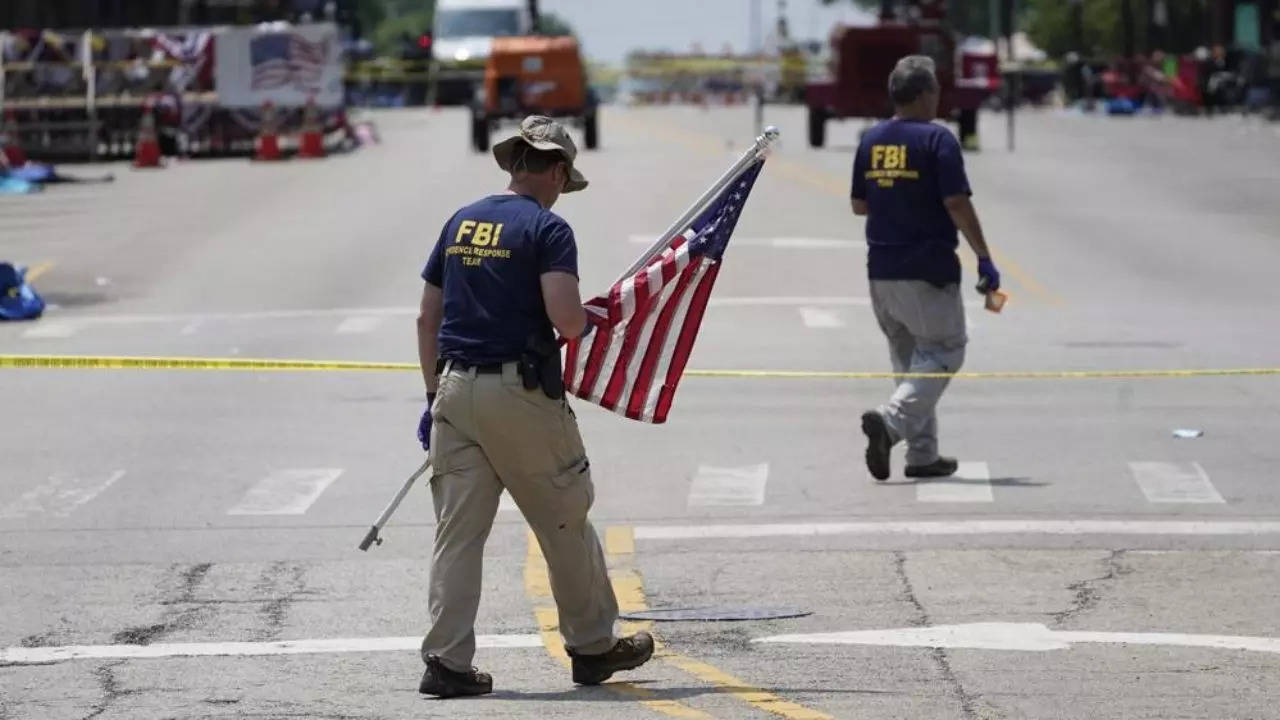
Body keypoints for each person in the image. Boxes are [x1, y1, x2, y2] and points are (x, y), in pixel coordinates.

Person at [414, 115, 654, 698]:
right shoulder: (547, 230)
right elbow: (566, 320)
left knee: (458, 535)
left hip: (455, 391)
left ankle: (445, 661)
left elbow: (428, 316)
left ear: (512, 163)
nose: (561, 190)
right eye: (563, 179)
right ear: (553, 169)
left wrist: (431, 398)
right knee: (565, 520)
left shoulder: (462, 220)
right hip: (518, 397)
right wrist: (600, 314)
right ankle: (593, 646)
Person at [850, 55, 1000, 482]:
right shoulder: (938, 141)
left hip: (881, 271)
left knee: (911, 364)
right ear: (922, 94)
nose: (938, 99)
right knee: (945, 349)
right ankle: (891, 422)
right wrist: (983, 256)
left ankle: (922, 456)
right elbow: (956, 202)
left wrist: (895, 196)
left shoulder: (871, 139)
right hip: (927, 269)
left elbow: (860, 204)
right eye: (935, 91)